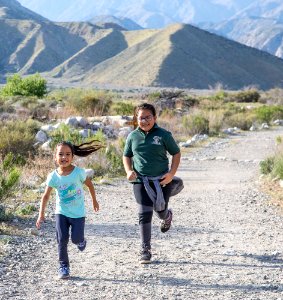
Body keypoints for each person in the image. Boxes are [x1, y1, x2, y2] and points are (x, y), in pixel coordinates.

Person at [123, 103, 181, 264]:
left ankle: (167, 216)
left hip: (162, 180)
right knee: (144, 212)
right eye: (141, 117)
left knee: (160, 210)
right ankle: (145, 249)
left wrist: (171, 174)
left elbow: (176, 153)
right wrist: (129, 171)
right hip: (140, 180)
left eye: (148, 117)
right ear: (137, 119)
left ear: (155, 118)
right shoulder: (132, 136)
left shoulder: (163, 135)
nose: (145, 120)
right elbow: (126, 155)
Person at [36, 140, 103, 279]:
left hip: (78, 214)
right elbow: (46, 196)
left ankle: (81, 241)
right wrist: (40, 214)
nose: (64, 157)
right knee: (62, 240)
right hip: (61, 213)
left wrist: (94, 201)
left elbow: (90, 185)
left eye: (67, 154)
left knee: (76, 238)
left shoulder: (78, 172)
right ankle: (63, 266)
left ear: (72, 156)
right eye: (60, 154)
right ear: (55, 157)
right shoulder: (53, 176)